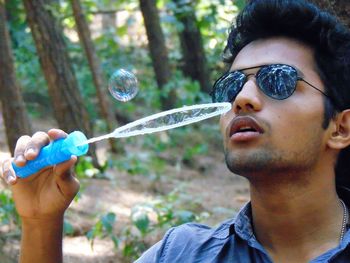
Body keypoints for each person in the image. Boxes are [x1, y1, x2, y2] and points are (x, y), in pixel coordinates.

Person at [2, 0, 350, 262]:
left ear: (340, 128)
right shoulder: (181, 253)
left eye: (278, 80)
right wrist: (40, 223)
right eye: (231, 86)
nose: (242, 99)